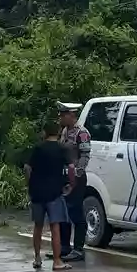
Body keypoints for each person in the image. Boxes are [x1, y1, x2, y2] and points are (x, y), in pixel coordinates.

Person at [25, 123, 72, 271]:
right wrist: (70, 184)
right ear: (58, 132)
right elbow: (70, 167)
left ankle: (37, 258)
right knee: (55, 227)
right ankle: (57, 261)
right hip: (54, 193)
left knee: (38, 226)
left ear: (45, 132)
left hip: (37, 193)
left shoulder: (38, 148)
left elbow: (27, 168)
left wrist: (30, 184)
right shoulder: (61, 149)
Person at [57, 102, 91, 262]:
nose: (60, 118)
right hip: (63, 176)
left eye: (63, 115)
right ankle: (64, 247)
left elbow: (84, 156)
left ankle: (78, 249)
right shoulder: (64, 131)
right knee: (63, 213)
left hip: (76, 178)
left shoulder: (81, 132)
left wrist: (76, 175)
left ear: (71, 115)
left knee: (76, 212)